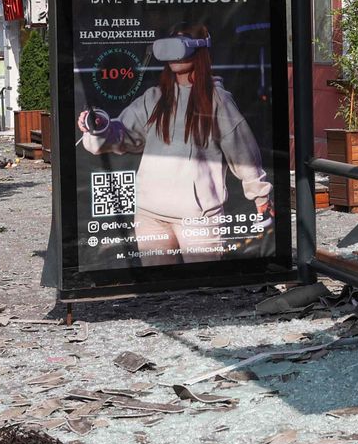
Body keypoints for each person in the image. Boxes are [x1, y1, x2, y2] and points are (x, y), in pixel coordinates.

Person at [78, 23, 272, 265]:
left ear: (199, 49)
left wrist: (261, 198)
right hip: (150, 215)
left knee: (206, 290)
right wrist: (99, 126)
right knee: (158, 293)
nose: (173, 54)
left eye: (181, 44)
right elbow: (121, 135)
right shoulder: (154, 98)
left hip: (198, 219)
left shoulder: (218, 101)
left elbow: (242, 151)